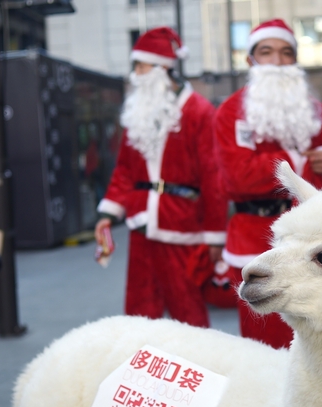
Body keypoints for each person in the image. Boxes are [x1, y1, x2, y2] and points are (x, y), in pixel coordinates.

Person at [214, 19, 322, 348]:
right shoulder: (230, 112)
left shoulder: (313, 110)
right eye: (266, 52)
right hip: (255, 234)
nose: (278, 62)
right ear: (250, 60)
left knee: (319, 342)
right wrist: (301, 161)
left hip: (312, 242)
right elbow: (238, 175)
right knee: (264, 346)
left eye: (286, 53)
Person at [94, 27, 226, 327]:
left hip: (181, 224)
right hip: (141, 221)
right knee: (140, 308)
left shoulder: (199, 111)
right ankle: (141, 368)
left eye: (141, 67)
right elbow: (125, 169)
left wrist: (214, 234)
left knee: (187, 309)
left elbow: (213, 177)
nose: (136, 74)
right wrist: (108, 213)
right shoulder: (136, 113)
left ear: (161, 68)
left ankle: (197, 368)